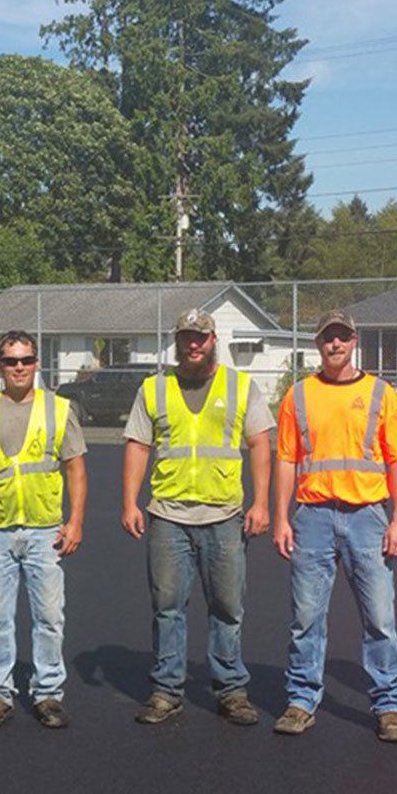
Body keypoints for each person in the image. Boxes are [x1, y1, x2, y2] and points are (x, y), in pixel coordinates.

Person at [121, 309, 273, 726]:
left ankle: (231, 689)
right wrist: (129, 502)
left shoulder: (241, 387)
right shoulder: (154, 389)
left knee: (227, 605)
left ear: (213, 340)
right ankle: (167, 689)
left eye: (201, 337)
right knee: (167, 606)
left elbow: (260, 444)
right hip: (168, 515)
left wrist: (261, 503)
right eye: (186, 337)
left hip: (224, 515)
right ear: (177, 340)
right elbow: (137, 444)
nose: (193, 344)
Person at [271, 310, 397, 742]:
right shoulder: (298, 396)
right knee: (307, 618)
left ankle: (388, 705)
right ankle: (300, 700)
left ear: (354, 342)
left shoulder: (380, 393)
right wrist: (281, 517)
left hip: (367, 517)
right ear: (318, 345)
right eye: (327, 338)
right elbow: (286, 459)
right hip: (312, 516)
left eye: (342, 337)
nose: (335, 345)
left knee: (379, 618)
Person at [0, 330, 87, 729]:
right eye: (11, 361)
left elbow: (76, 468)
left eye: (26, 360)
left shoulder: (59, 410)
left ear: (37, 364)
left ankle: (47, 692)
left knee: (49, 617)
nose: (19, 368)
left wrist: (75, 520)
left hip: (45, 530)